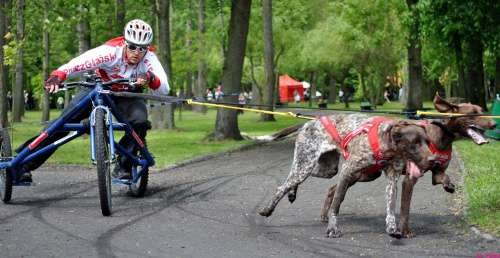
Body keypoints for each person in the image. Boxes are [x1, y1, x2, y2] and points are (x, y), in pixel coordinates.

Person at [16, 19, 169, 182]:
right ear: (124, 42)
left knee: (141, 121)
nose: (137, 52)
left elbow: (164, 88)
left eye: (142, 48)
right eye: (132, 46)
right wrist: (58, 75)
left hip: (127, 92)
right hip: (97, 87)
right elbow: (79, 63)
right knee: (63, 122)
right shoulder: (110, 51)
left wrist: (150, 77)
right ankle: (23, 163)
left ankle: (123, 165)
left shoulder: (149, 57)